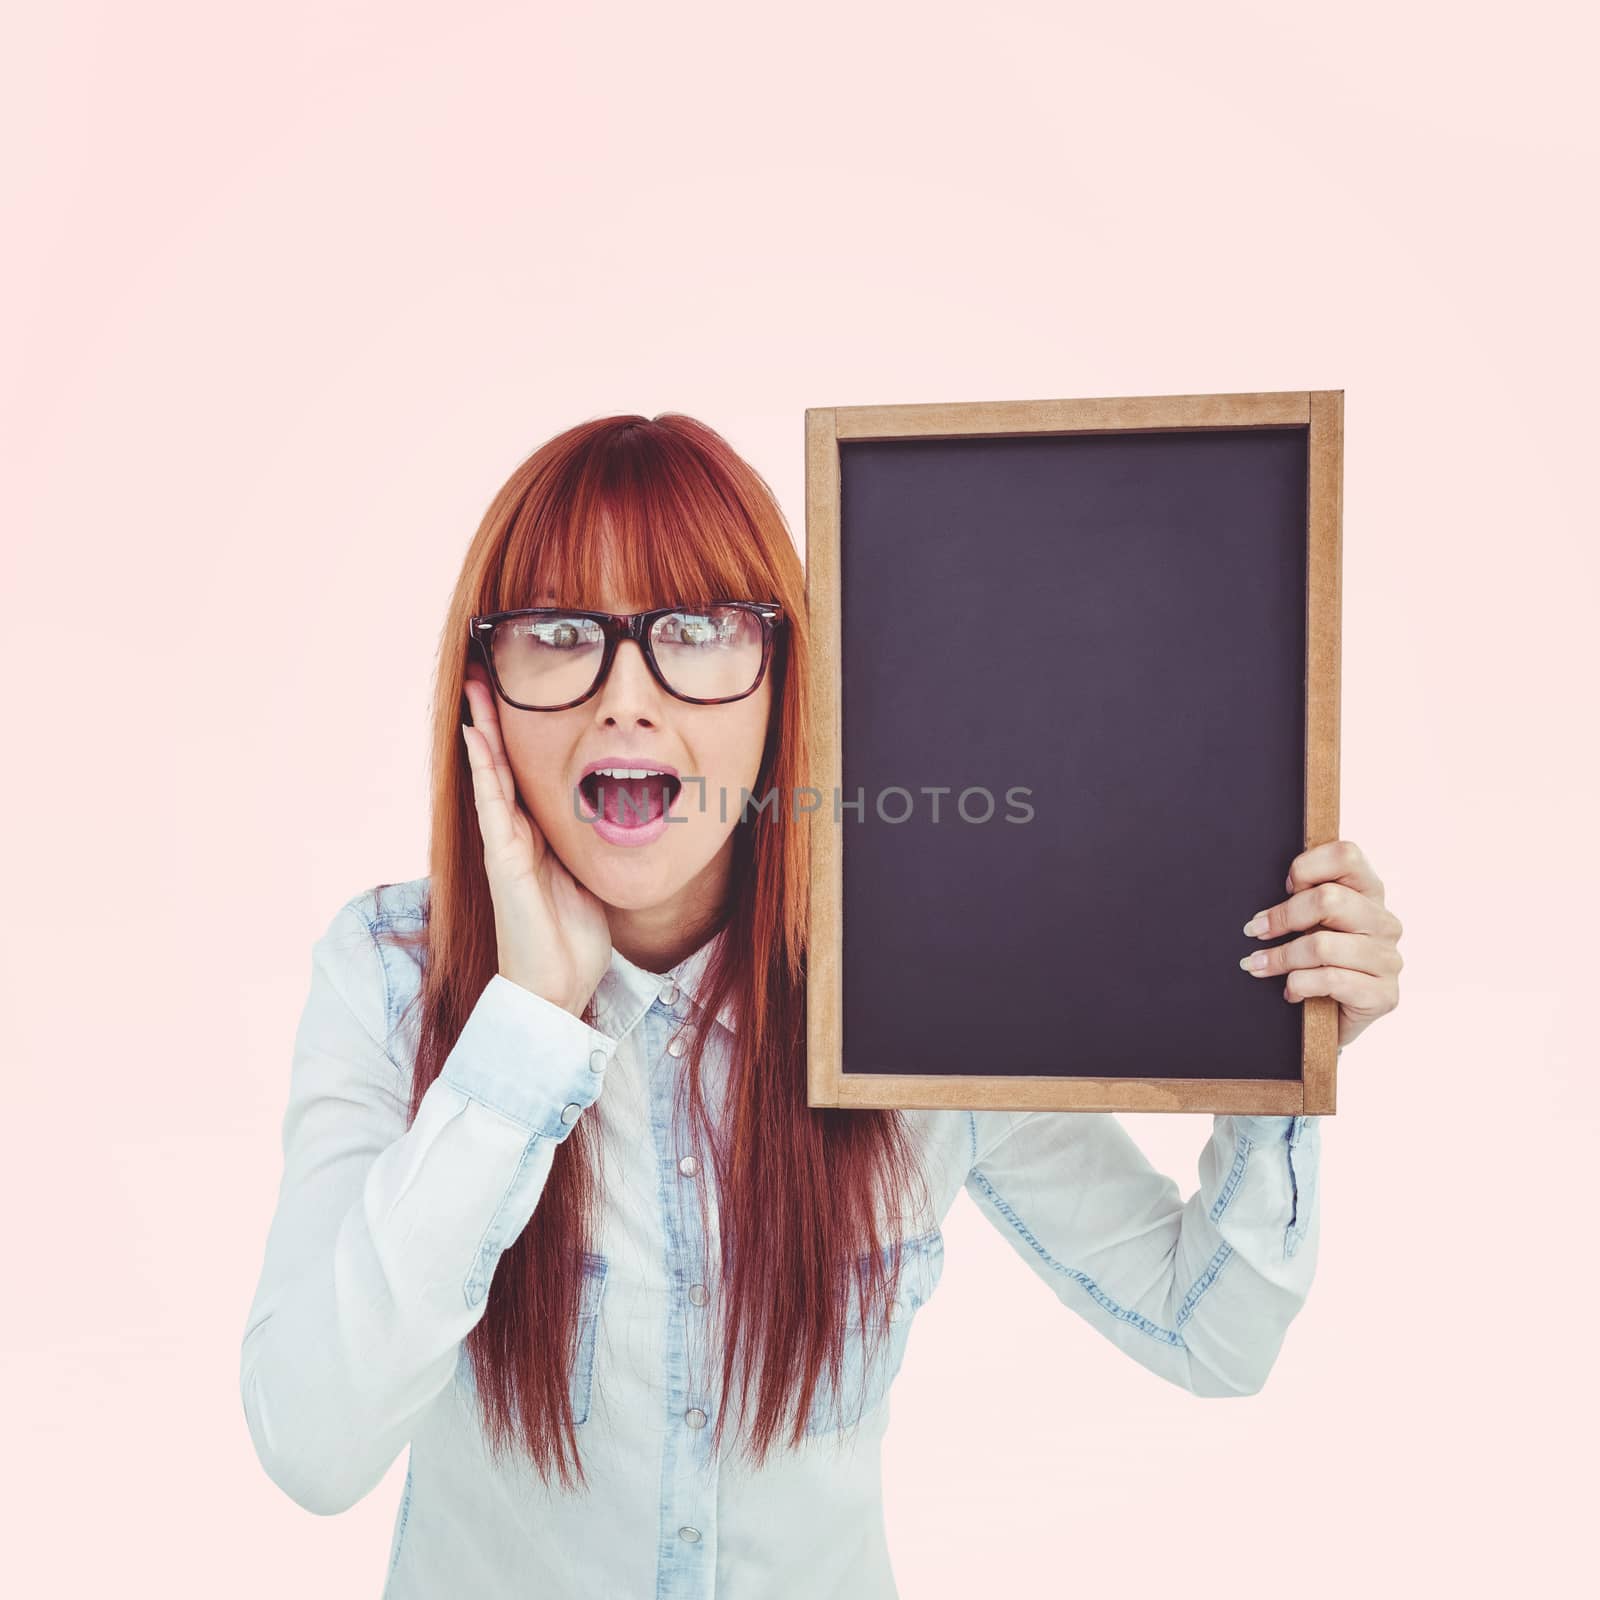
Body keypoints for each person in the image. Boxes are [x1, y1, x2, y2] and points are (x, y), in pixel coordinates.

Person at [239, 412, 1404, 1598]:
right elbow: (312, 1445)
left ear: (787, 680)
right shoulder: (390, 975)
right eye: (558, 633)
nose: (627, 699)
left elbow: (1211, 1331)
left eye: (694, 631)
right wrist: (531, 1021)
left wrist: (1291, 1033)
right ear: (484, 694)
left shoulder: (919, 984)